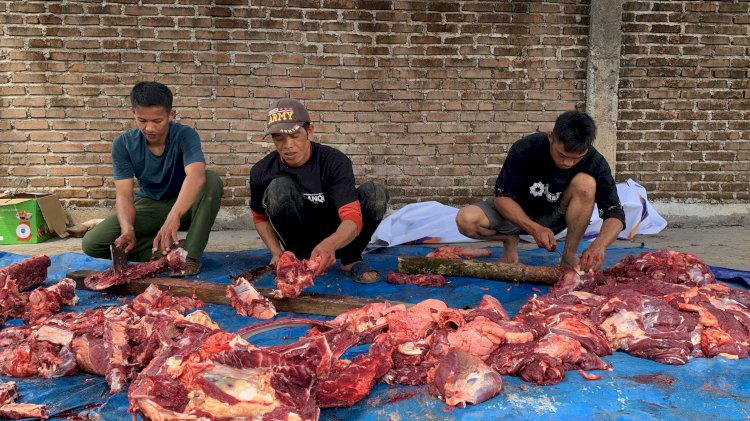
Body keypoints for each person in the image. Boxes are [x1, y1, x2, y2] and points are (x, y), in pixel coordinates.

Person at [82, 81, 223, 276]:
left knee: (211, 179)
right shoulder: (123, 144)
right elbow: (124, 195)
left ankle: (190, 256)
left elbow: (197, 176)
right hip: (150, 205)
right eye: (142, 120)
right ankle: (164, 253)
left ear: (170, 115)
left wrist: (174, 216)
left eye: (157, 121)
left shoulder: (185, 135)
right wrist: (127, 228)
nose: (149, 128)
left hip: (186, 206)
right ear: (134, 114)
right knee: (93, 243)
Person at [455, 110, 625, 272]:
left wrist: (599, 245)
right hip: (513, 212)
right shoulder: (526, 148)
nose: (568, 163)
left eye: (576, 158)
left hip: (554, 217)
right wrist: (534, 229)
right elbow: (502, 198)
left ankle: (569, 255)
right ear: (551, 137)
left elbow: (614, 212)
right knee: (466, 220)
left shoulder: (595, 162)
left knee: (586, 183)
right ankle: (509, 239)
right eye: (562, 155)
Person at [250, 98, 389, 283]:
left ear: (310, 131)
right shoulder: (262, 170)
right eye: (279, 138)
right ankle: (298, 262)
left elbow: (352, 218)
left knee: (375, 193)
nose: (287, 145)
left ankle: (351, 260)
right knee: (278, 188)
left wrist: (330, 244)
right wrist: (276, 252)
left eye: (295, 135)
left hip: (339, 238)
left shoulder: (334, 162)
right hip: (300, 241)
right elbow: (259, 217)